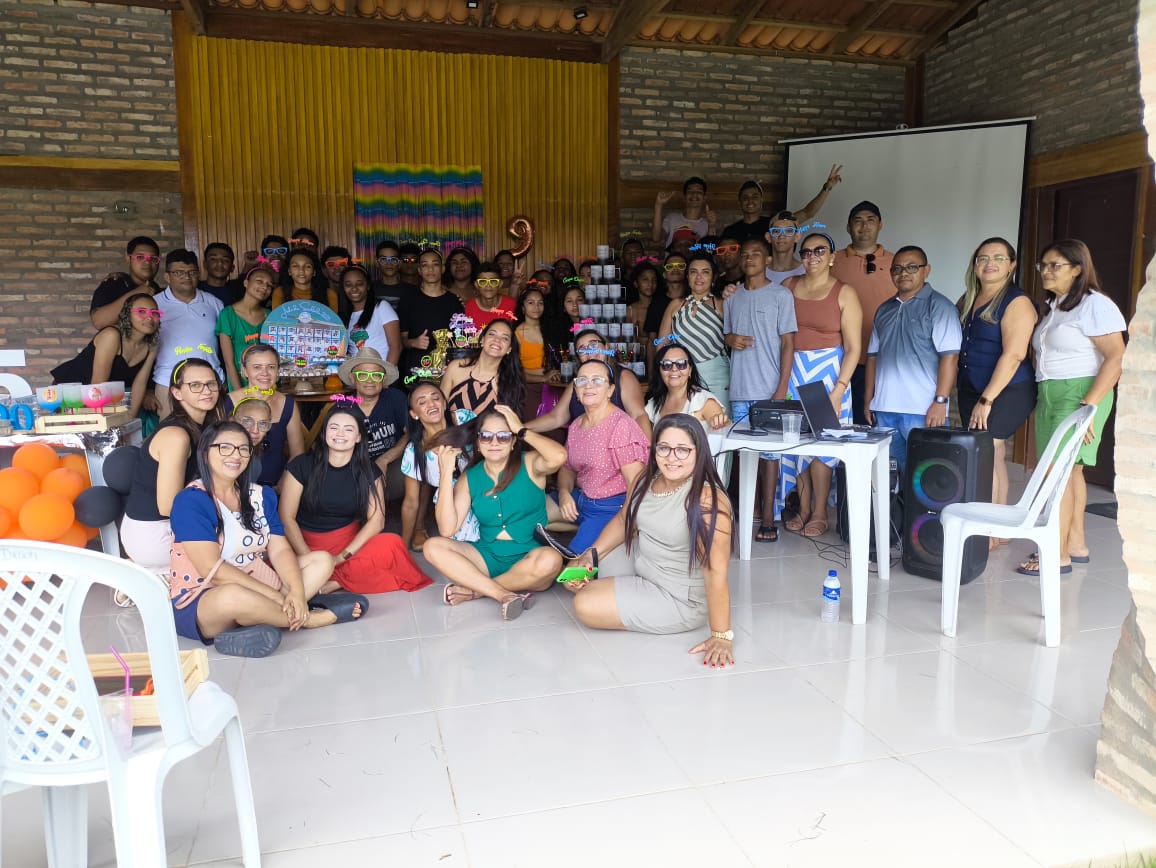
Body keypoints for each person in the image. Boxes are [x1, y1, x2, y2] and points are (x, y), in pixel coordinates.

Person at [168, 421, 358, 659]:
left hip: (256, 579)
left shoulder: (260, 495)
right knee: (232, 596)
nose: (235, 455)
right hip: (204, 597)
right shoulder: (191, 501)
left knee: (322, 561)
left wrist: (296, 591)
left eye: (243, 449)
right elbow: (212, 570)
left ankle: (260, 621)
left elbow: (279, 550)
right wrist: (276, 596)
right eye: (225, 447)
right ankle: (307, 619)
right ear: (205, 453)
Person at [563, 415, 735, 664]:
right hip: (645, 562)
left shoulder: (707, 501)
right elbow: (624, 520)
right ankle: (618, 587)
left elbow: (715, 570)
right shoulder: (645, 479)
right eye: (664, 448)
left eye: (683, 450)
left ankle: (620, 593)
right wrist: (590, 554)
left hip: (678, 596)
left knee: (584, 603)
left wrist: (721, 635)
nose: (671, 458)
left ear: (699, 452)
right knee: (579, 570)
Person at [1018, 239, 1126, 577]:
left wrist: (1089, 405)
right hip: (1050, 392)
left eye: (1055, 265)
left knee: (1057, 473)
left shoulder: (1095, 304)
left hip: (1080, 392)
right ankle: (1075, 544)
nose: (1046, 271)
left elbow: (1116, 357)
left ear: (1078, 269)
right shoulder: (1055, 307)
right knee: (1069, 471)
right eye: (1043, 265)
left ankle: (1056, 553)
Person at [423, 405, 569, 620]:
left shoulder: (530, 463)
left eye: (503, 436)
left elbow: (559, 456)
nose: (494, 442)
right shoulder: (470, 477)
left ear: (513, 442)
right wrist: (445, 473)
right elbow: (447, 529)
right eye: (486, 436)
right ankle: (502, 594)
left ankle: (475, 590)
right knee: (433, 546)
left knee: (551, 560)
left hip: (530, 557)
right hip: (487, 555)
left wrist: (521, 429)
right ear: (478, 443)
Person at [279, 405, 432, 595]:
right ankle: (338, 577)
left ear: (359, 436)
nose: (340, 434)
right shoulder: (301, 465)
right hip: (302, 544)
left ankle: (335, 582)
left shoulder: (369, 471)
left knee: (392, 544)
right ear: (324, 433)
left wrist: (340, 558)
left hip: (346, 547)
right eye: (334, 427)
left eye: (349, 429)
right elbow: (286, 518)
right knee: (277, 558)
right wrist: (310, 557)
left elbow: (377, 521)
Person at [779, 232, 863, 538]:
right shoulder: (788, 286)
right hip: (793, 370)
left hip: (829, 374)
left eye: (819, 250)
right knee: (796, 442)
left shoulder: (845, 292)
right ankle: (802, 508)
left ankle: (820, 512)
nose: (812, 256)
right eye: (806, 252)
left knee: (823, 446)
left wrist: (839, 390)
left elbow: (854, 348)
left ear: (831, 257)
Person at [957, 238, 1038, 547]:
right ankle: (997, 529)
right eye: (983, 258)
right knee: (993, 454)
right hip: (973, 387)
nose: (989, 263)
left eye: (998, 258)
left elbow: (1014, 354)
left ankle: (989, 531)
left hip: (1007, 389)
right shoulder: (969, 298)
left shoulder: (1017, 301)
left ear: (1012, 264)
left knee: (987, 453)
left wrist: (987, 399)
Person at [122, 357, 223, 580]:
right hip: (154, 532)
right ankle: (155, 577)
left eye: (211, 384)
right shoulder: (176, 435)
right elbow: (168, 506)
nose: (206, 390)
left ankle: (153, 575)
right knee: (235, 554)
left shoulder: (202, 427)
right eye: (195, 385)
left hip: (167, 524)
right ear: (177, 393)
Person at [724, 237, 797, 543]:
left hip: (769, 389)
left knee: (769, 456)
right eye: (745, 254)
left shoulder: (781, 295)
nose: (750, 258)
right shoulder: (731, 297)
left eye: (757, 253)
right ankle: (748, 510)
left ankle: (768, 516)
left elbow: (789, 343)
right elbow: (726, 335)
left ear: (767, 259)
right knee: (744, 454)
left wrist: (781, 388)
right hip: (740, 389)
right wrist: (730, 339)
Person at [864, 245, 962, 472]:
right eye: (897, 268)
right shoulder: (884, 310)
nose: (903, 273)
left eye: (911, 267)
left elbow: (950, 357)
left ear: (926, 270)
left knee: (925, 475)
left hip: (923, 410)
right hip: (884, 409)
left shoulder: (940, 307)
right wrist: (869, 399)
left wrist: (940, 402)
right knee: (889, 475)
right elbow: (872, 357)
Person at [557, 359, 650, 553]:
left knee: (575, 569)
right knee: (529, 517)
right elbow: (567, 468)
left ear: (610, 390)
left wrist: (624, 523)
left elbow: (637, 485)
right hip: (581, 498)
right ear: (575, 389)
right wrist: (564, 493)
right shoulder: (576, 425)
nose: (588, 385)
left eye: (597, 380)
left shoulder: (621, 426)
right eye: (582, 380)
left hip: (610, 506)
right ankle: (586, 528)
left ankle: (600, 533)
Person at [831, 201, 897, 425]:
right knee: (842, 423)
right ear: (848, 227)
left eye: (870, 220)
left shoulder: (897, 262)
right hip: (843, 359)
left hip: (885, 358)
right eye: (858, 221)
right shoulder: (832, 261)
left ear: (880, 225)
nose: (864, 226)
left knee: (879, 424)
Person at [527, 328, 652, 437]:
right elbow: (556, 418)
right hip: (583, 446)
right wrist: (521, 428)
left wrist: (646, 452)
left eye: (594, 345)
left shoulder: (624, 377)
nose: (589, 351)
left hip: (617, 448)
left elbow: (638, 416)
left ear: (606, 348)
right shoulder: (576, 383)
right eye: (582, 349)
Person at [399, 382, 479, 551]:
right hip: (452, 503)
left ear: (444, 403)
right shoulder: (414, 452)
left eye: (436, 398)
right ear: (414, 414)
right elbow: (411, 503)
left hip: (483, 491)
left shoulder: (464, 419)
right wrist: (403, 548)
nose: (431, 404)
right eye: (422, 402)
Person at [52, 293, 159, 418]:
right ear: (127, 314)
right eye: (141, 312)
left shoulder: (152, 345)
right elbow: (98, 385)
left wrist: (130, 420)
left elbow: (140, 385)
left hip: (99, 396)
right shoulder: (111, 335)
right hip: (72, 394)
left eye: (154, 313)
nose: (149, 318)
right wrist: (98, 421)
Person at [152, 249, 225, 419]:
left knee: (215, 432)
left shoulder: (214, 303)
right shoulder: (154, 304)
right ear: (167, 276)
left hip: (211, 384)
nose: (186, 277)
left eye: (192, 272)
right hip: (168, 382)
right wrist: (147, 389)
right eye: (179, 272)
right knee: (173, 432)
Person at [226, 343, 305, 488]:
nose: (265, 373)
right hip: (234, 487)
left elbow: (297, 453)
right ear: (244, 371)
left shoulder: (287, 404)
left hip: (276, 486)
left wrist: (281, 487)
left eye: (271, 367)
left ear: (278, 371)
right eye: (257, 367)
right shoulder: (228, 402)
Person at [658, 249, 730, 406]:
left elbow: (734, 340)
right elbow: (661, 344)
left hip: (717, 375)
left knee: (718, 418)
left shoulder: (721, 304)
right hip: (682, 374)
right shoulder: (676, 305)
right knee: (686, 418)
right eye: (693, 272)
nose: (699, 277)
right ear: (687, 276)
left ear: (713, 277)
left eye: (705, 272)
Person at [336, 347, 408, 476]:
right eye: (362, 375)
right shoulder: (342, 407)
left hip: (393, 465)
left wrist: (385, 459)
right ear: (353, 378)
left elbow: (411, 433)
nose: (370, 380)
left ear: (384, 379)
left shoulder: (395, 398)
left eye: (376, 375)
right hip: (354, 470)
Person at [721, 168, 841, 244]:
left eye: (755, 197)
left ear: (761, 201)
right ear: (739, 203)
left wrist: (827, 187)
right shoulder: (731, 231)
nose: (750, 201)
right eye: (745, 197)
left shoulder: (774, 224)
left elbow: (808, 212)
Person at [397, 248, 465, 379]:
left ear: (443, 269)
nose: (430, 269)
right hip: (416, 370)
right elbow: (400, 339)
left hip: (446, 369)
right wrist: (413, 342)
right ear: (419, 270)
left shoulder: (454, 301)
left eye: (435, 264)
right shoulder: (408, 299)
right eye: (425, 265)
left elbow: (460, 339)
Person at [441, 318, 525, 419]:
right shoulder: (456, 367)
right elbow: (440, 408)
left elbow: (511, 422)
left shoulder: (510, 382)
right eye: (492, 334)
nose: (497, 340)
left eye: (505, 338)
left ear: (509, 349)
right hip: (451, 429)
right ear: (482, 340)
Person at [644, 342, 729, 431]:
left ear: (690, 370)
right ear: (659, 371)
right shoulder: (653, 403)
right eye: (667, 364)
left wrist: (720, 421)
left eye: (681, 364)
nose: (674, 369)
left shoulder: (704, 401)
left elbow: (721, 428)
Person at [217, 261, 275, 390]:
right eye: (259, 281)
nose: (264, 287)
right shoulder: (227, 314)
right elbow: (229, 362)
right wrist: (240, 394)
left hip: (267, 384)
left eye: (269, 285)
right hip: (240, 385)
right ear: (246, 283)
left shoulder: (270, 315)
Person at [90, 235, 162, 330]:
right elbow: (99, 322)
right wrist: (137, 292)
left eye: (153, 259)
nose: (147, 262)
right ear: (128, 259)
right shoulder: (113, 284)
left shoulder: (161, 293)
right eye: (140, 257)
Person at [342, 263, 401, 366]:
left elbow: (396, 347)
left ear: (368, 286)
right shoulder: (344, 315)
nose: (354, 288)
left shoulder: (381, 307)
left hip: (380, 373)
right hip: (355, 373)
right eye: (348, 285)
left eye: (359, 284)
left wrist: (386, 373)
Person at [515, 286, 552, 419]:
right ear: (523, 307)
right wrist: (543, 377)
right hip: (528, 388)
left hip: (554, 385)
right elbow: (515, 371)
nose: (536, 307)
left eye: (540, 303)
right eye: (531, 303)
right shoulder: (517, 334)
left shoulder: (551, 329)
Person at [652, 176, 717, 249]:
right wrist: (658, 205)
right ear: (684, 197)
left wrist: (711, 226)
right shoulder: (672, 218)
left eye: (699, 191)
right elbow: (656, 238)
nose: (694, 194)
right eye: (690, 191)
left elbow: (710, 250)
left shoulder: (707, 223)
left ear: (704, 198)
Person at [271, 248, 338, 312]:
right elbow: (276, 318)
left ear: (314, 272)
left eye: (307, 266)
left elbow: (333, 319)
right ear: (289, 271)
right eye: (295, 266)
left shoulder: (329, 294)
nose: (301, 270)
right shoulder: (280, 293)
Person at [464, 262, 518, 329]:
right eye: (483, 281)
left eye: (493, 281)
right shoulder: (470, 306)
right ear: (476, 285)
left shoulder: (512, 304)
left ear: (500, 284)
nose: (488, 285)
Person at [765, 211, 806, 285]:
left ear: (797, 237)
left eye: (788, 231)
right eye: (776, 231)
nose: (781, 236)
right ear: (768, 237)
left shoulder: (806, 271)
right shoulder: (759, 271)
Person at [372, 239, 416, 309]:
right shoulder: (370, 289)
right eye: (383, 259)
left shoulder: (412, 291)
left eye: (393, 259)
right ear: (377, 263)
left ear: (400, 263)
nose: (389, 264)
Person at [199, 242, 242, 307]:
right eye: (213, 259)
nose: (220, 263)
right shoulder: (195, 289)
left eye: (225, 260)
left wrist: (252, 262)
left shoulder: (237, 289)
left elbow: (258, 258)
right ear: (205, 264)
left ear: (232, 267)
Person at [320, 245, 353, 311]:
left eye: (341, 264)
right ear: (324, 270)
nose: (337, 268)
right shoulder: (319, 296)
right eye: (331, 265)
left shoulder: (355, 293)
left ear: (348, 268)